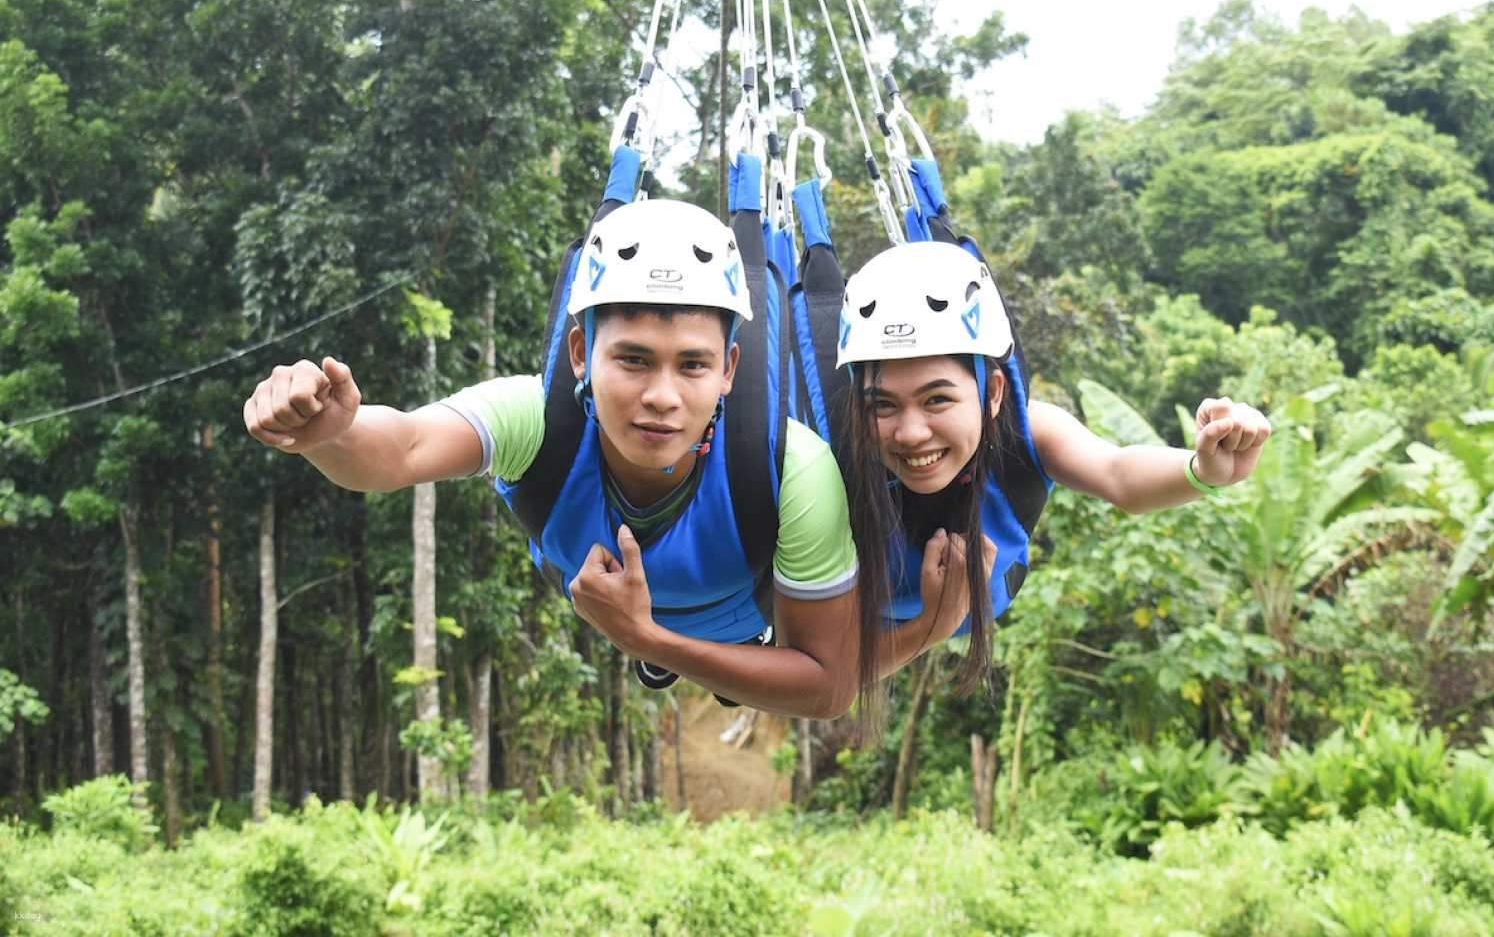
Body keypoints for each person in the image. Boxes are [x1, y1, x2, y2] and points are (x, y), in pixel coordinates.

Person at [241, 200, 972, 719]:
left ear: (729, 369)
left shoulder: (792, 470)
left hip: (748, 633)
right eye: (632, 360)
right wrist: (326, 434)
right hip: (660, 614)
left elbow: (829, 687)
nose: (661, 396)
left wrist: (648, 639)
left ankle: (677, 653)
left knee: (728, 659)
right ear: (579, 354)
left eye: (692, 365)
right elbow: (395, 449)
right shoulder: (540, 417)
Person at [835, 239, 1272, 689]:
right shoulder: (833, 468)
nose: (910, 433)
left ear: (994, 393)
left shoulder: (1026, 438)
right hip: (874, 627)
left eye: (937, 399)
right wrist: (934, 624)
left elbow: (1118, 473)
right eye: (882, 404)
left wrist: (1202, 470)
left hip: (989, 591)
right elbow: (827, 676)